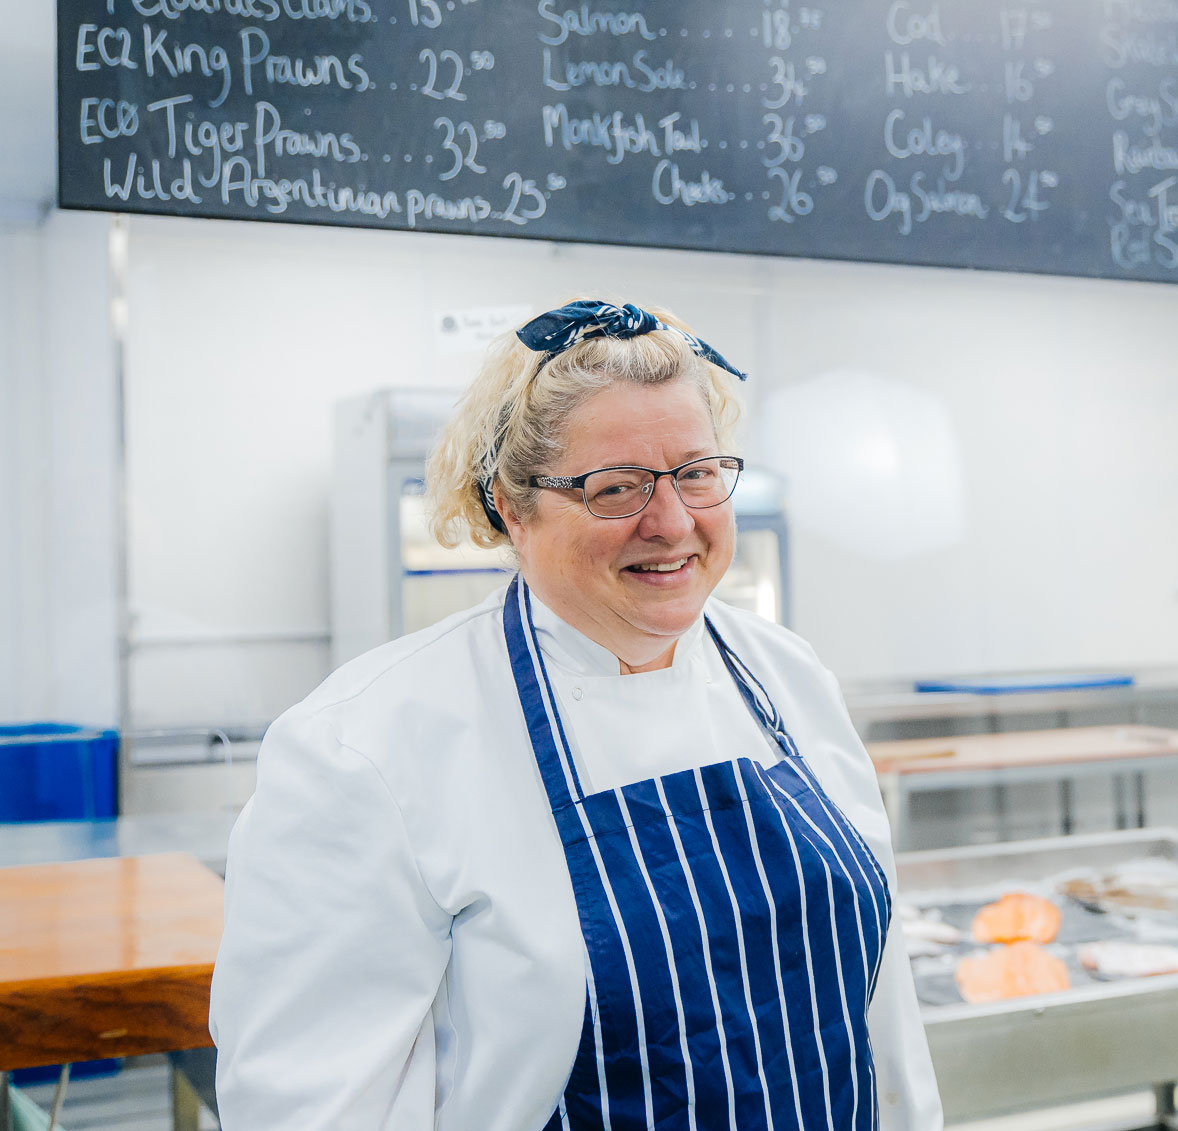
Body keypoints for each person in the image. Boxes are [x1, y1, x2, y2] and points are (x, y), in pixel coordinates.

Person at [210, 299, 944, 1130]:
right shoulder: (365, 749)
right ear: (511, 509)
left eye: (697, 473)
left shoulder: (788, 676)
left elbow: (884, 1016)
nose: (671, 523)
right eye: (615, 488)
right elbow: (313, 1110)